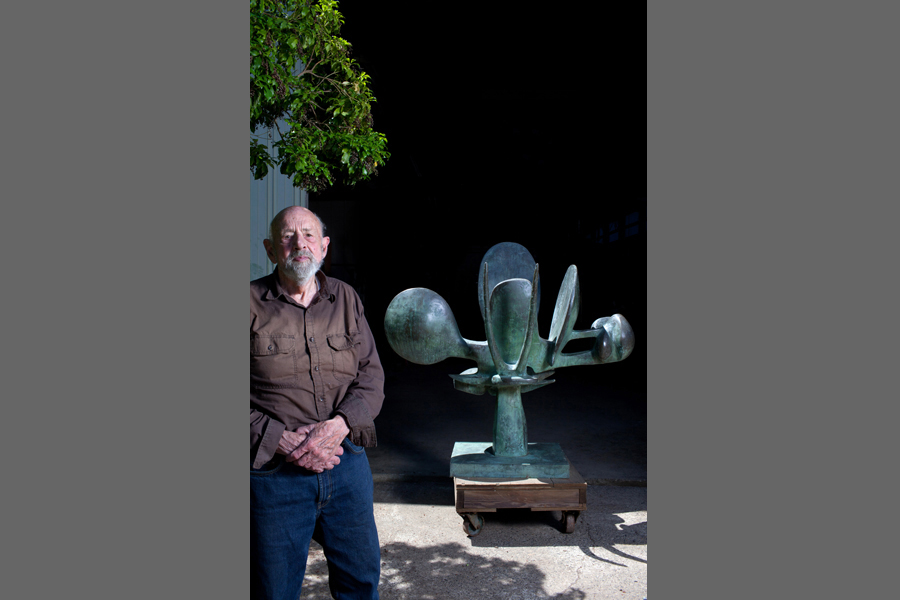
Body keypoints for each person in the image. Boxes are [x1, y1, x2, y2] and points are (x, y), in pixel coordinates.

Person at [251, 206, 384, 600]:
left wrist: (337, 427)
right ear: (270, 249)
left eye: (309, 235)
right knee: (273, 590)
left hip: (346, 467)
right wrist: (281, 439)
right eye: (288, 236)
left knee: (361, 583)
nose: (300, 244)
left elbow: (371, 376)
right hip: (273, 477)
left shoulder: (346, 298)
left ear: (324, 247)